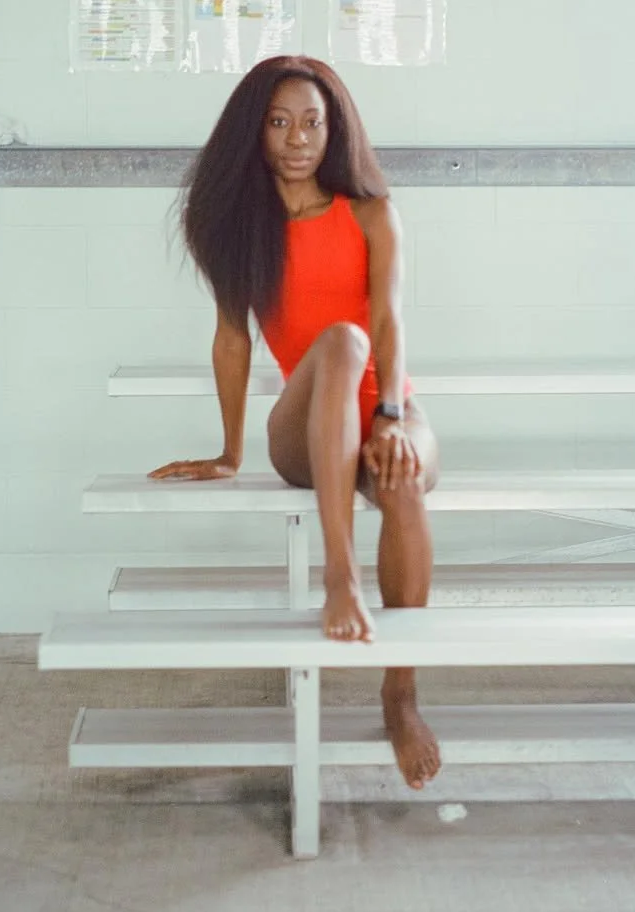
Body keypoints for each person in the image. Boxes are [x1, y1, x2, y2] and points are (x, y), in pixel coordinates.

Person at [148, 55, 441, 790]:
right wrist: (229, 451)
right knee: (341, 341)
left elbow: (390, 321)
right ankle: (340, 574)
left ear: (334, 129)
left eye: (312, 121)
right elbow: (232, 339)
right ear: (255, 131)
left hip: (387, 407)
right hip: (306, 427)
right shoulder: (234, 227)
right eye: (279, 122)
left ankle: (400, 696)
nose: (297, 138)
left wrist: (391, 417)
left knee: (403, 481)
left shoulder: (371, 214)